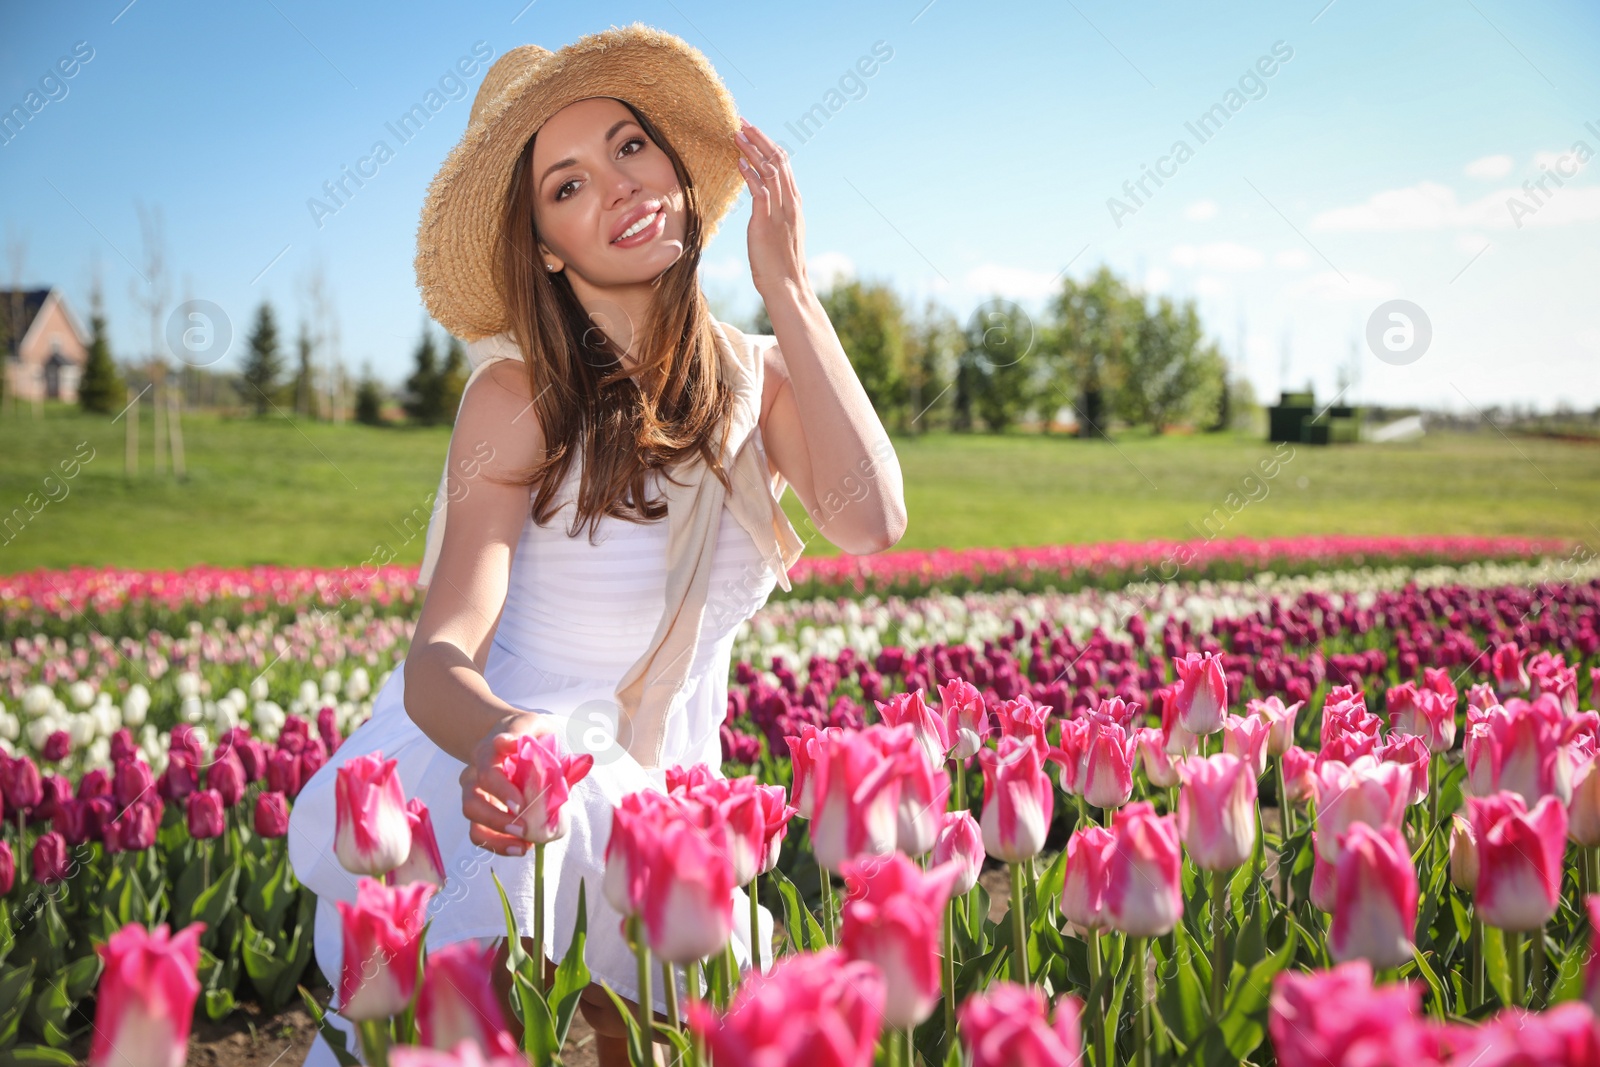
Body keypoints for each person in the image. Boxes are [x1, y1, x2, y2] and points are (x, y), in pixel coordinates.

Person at [287, 23, 906, 1067]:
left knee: (666, 1045)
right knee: (450, 1040)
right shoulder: (518, 396)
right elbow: (440, 652)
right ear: (542, 244)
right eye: (566, 186)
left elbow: (870, 518)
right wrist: (497, 740)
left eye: (628, 147)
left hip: (664, 779)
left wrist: (790, 288)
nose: (617, 187)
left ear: (672, 163)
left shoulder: (758, 384)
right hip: (508, 769)